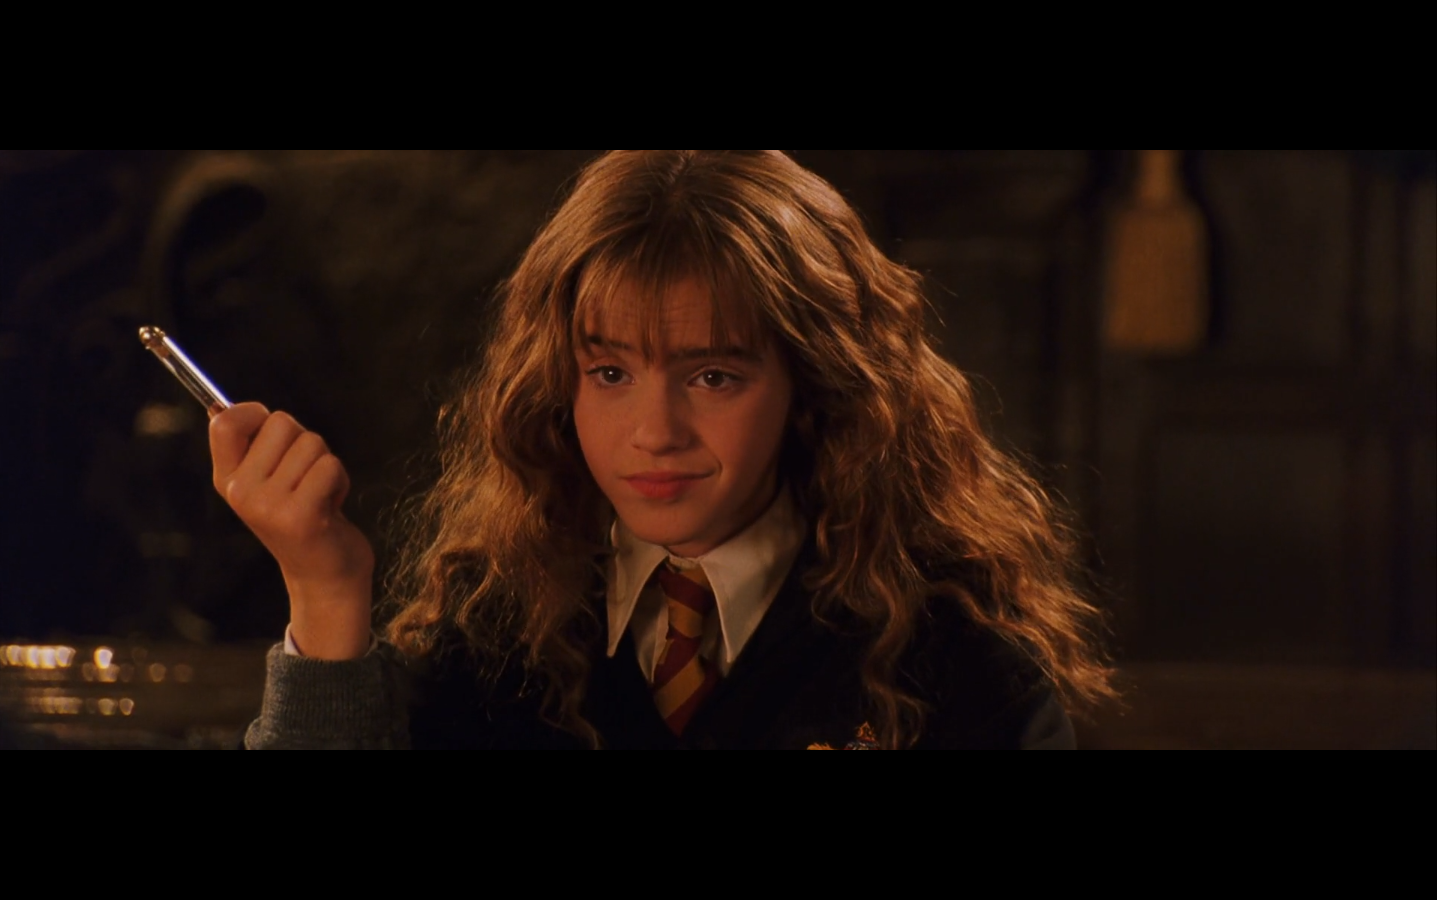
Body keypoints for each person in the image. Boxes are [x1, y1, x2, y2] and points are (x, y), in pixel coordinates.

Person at [211, 150, 1113, 749]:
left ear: (814, 386)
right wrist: (325, 589)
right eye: (609, 374)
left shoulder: (955, 665)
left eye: (713, 376)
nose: (654, 432)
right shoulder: (492, 637)